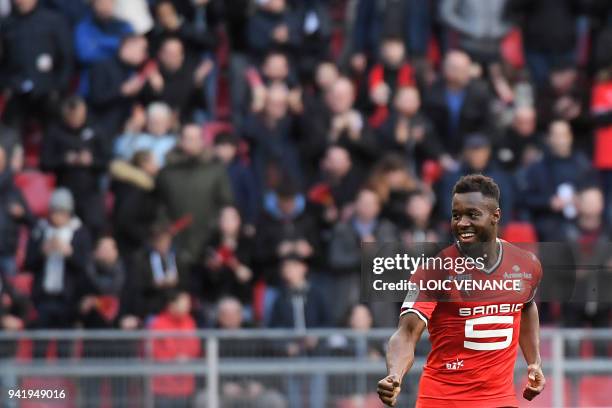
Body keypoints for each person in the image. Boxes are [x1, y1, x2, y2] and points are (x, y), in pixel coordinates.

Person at [377, 174, 545, 407]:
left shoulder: (526, 265)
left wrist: (534, 361)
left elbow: (526, 306)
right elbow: (406, 332)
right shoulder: (435, 270)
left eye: (472, 215)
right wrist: (395, 373)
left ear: (495, 216)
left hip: (500, 400)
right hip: (443, 400)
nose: (461, 223)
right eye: (456, 215)